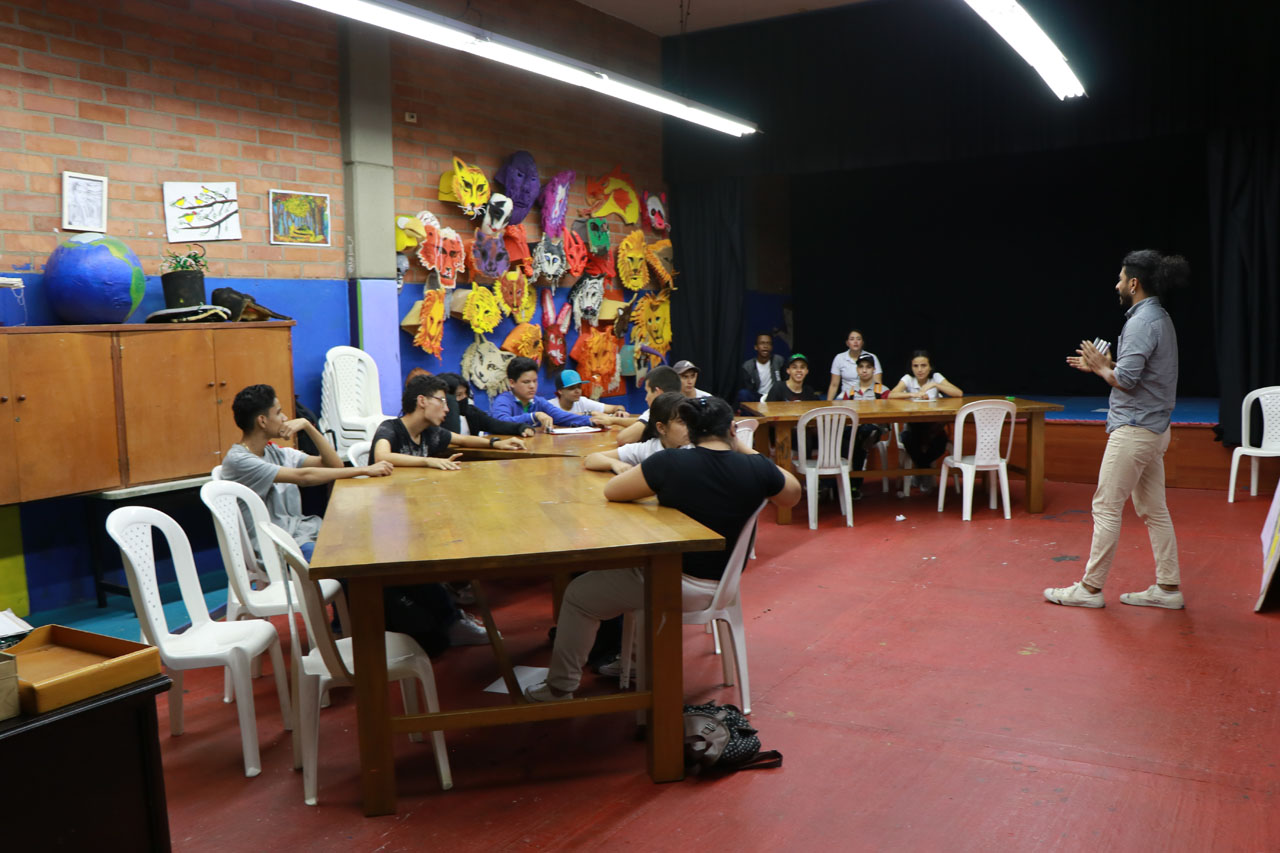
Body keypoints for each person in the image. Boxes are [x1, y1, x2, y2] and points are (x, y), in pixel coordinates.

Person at [524, 396, 802, 701]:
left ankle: (560, 687)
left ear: (690, 432)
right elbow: (791, 495)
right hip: (725, 584)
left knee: (578, 595)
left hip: (672, 580)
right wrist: (745, 448)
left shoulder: (670, 462)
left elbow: (613, 491)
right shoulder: (756, 467)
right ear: (732, 430)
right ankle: (628, 659)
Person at [1045, 250, 1189, 610]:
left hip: (1135, 430)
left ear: (1134, 283)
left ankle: (1090, 590)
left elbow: (1125, 380)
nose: (1117, 284)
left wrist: (1101, 367)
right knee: (1154, 510)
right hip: (1154, 429)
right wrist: (1107, 366)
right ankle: (1168, 588)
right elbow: (1134, 373)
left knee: (1106, 507)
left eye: (1121, 278)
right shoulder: (1160, 317)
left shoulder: (1141, 323)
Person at [223, 384, 392, 559]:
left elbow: (334, 465)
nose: (285, 418)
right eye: (279, 413)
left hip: (300, 533)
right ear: (262, 421)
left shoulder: (275, 452)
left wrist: (307, 426)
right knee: (343, 558)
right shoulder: (239, 460)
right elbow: (304, 477)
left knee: (362, 539)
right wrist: (364, 470)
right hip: (276, 545)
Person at [369, 373, 525, 469]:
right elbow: (381, 456)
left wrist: (495, 443)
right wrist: (428, 461)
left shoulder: (430, 432)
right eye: (442, 401)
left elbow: (463, 440)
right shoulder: (390, 428)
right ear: (422, 401)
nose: (447, 409)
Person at [888, 350, 964, 492]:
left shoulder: (936, 377)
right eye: (915, 366)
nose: (920, 369)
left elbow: (958, 393)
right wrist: (914, 394)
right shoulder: (908, 379)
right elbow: (891, 395)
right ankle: (925, 471)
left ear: (930, 367)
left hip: (933, 428)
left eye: (923, 365)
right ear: (911, 367)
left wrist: (936, 385)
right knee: (908, 438)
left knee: (941, 442)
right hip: (913, 427)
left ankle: (920, 471)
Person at [584, 391, 689, 474]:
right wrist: (613, 463)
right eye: (681, 422)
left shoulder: (695, 447)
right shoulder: (648, 448)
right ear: (661, 428)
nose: (689, 426)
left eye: (690, 420)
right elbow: (591, 459)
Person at [490, 357, 607, 430]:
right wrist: (533, 416)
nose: (532, 386)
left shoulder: (538, 401)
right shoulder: (504, 400)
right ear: (512, 383)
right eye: (526, 382)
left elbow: (562, 417)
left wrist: (592, 421)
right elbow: (500, 422)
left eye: (535, 381)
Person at [844, 355, 890, 497]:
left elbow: (889, 413)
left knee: (864, 433)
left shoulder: (882, 390)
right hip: (855, 429)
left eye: (868, 367)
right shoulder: (850, 391)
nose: (864, 370)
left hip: (875, 428)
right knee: (850, 437)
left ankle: (850, 485)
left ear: (874, 370)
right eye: (861, 367)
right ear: (857, 369)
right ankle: (847, 485)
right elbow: (844, 414)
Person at [435, 372, 533, 438]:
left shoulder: (471, 412)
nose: (464, 398)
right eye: (459, 395)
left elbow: (496, 425)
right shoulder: (436, 418)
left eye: (466, 393)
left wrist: (521, 427)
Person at [615, 364, 683, 446]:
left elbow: (623, 439)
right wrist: (613, 420)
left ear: (657, 393)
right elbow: (640, 422)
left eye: (647, 392)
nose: (646, 398)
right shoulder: (684, 408)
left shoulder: (658, 412)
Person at [548, 368, 636, 426]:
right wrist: (590, 414)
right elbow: (562, 419)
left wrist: (620, 411)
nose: (577, 391)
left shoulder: (582, 401)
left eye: (579, 387)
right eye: (572, 388)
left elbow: (616, 407)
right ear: (560, 391)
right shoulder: (549, 405)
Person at [827, 329, 883, 400]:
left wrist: (878, 401)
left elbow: (878, 383)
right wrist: (828, 403)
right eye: (852, 339)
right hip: (846, 396)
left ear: (862, 342)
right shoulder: (839, 358)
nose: (855, 342)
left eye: (858, 339)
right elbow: (834, 385)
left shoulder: (872, 357)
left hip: (868, 396)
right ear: (847, 343)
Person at [739, 332, 785, 404]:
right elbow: (748, 388)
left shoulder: (778, 360)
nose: (765, 346)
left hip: (775, 396)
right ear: (756, 347)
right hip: (757, 397)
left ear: (772, 347)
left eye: (768, 343)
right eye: (762, 343)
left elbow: (785, 382)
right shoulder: (748, 366)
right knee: (743, 393)